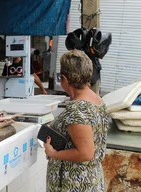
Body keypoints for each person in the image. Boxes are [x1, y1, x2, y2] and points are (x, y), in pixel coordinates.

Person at [43, 49, 108, 191]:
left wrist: (53, 153)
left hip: (73, 184)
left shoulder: (77, 110)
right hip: (90, 178)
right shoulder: (96, 99)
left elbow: (85, 152)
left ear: (65, 79)